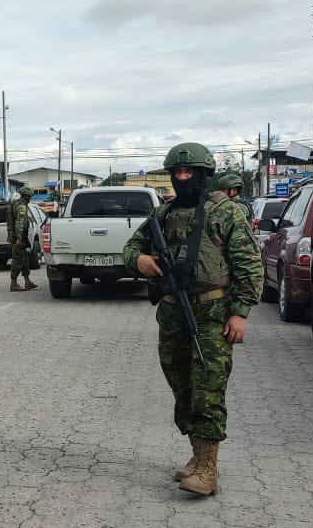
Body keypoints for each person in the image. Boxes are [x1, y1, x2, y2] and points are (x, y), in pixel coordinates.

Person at [122, 143, 262, 496]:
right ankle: (198, 457)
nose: (183, 178)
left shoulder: (226, 212)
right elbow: (131, 247)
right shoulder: (162, 214)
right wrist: (139, 261)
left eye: (190, 173)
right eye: (178, 173)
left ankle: (208, 471)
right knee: (182, 388)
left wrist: (240, 313)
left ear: (204, 175)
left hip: (212, 314)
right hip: (172, 313)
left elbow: (249, 265)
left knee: (208, 390)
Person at [6, 187, 38, 292]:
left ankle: (27, 282)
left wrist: (10, 235)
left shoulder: (14, 204)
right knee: (17, 260)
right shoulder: (22, 207)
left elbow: (9, 221)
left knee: (24, 259)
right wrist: (19, 238)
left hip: (16, 236)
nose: (30, 198)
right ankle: (13, 283)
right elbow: (19, 223)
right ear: (26, 196)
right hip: (18, 237)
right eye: (30, 197)